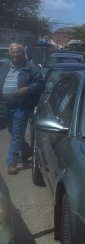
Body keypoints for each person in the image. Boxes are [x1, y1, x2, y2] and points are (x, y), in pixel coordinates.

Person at [0, 44, 44, 175]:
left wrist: (27, 89)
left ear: (22, 53)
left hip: (22, 105)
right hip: (8, 105)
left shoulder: (30, 67)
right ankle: (26, 150)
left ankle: (12, 162)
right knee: (12, 131)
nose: (15, 55)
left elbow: (41, 84)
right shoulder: (6, 66)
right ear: (9, 53)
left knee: (17, 133)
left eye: (17, 52)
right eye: (13, 52)